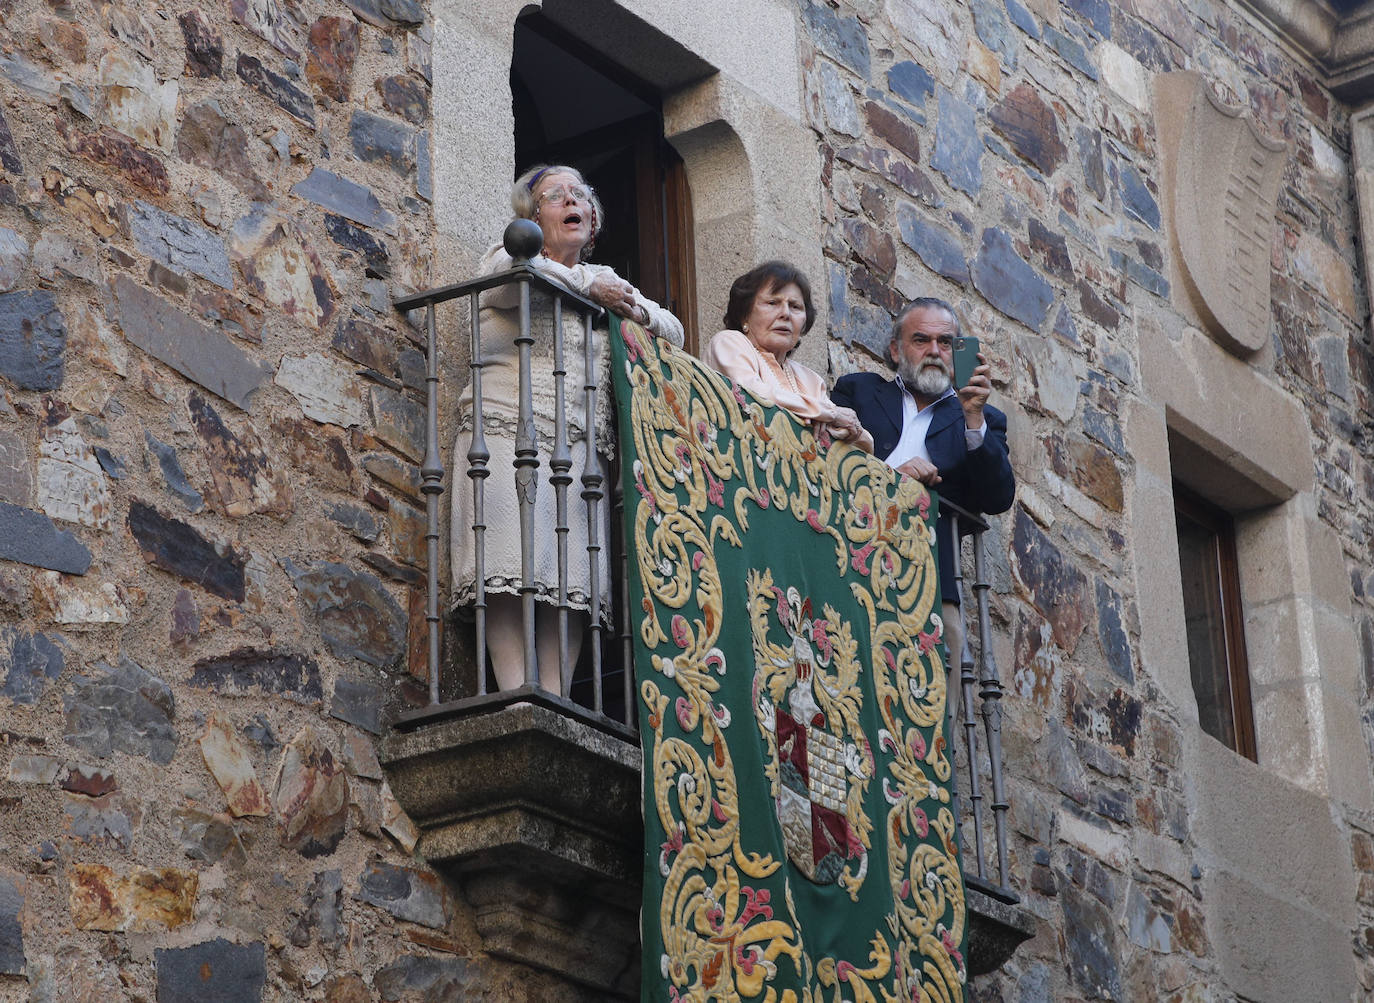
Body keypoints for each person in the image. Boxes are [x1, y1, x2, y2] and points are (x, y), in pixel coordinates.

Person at [452, 164, 684, 694]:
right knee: (510, 561)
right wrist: (588, 286)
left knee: (572, 577)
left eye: (580, 194)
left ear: (594, 221)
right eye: (555, 195)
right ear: (531, 217)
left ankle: (554, 694)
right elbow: (514, 278)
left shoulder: (611, 284)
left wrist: (625, 303)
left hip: (580, 450)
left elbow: (672, 331)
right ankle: (515, 690)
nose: (570, 200)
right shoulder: (506, 255)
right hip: (505, 431)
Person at [832, 297, 1014, 725]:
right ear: (897, 350)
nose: (935, 350)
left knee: (932, 704)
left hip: (929, 574)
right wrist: (895, 474)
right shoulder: (857, 391)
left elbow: (997, 497)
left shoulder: (985, 420)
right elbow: (824, 460)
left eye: (946, 342)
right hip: (844, 555)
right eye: (921, 339)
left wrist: (973, 420)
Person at [703, 261, 872, 453]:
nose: (785, 314)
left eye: (795, 307)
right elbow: (754, 395)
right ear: (745, 315)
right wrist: (827, 413)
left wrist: (852, 431)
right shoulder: (729, 343)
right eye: (772, 303)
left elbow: (864, 446)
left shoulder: (811, 381)